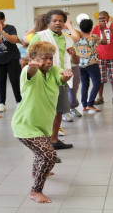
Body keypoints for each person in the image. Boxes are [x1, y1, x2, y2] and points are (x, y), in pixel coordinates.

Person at [12, 41, 73, 203]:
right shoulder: (29, 70)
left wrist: (66, 75)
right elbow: (30, 71)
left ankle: (36, 171)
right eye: (43, 58)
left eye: (50, 58)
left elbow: (61, 76)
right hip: (25, 124)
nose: (48, 62)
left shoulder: (52, 70)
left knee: (40, 151)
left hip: (42, 124)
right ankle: (35, 191)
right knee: (48, 155)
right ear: (32, 58)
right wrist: (33, 65)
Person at [28, 9, 79, 150]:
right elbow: (29, 57)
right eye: (54, 21)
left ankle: (54, 141)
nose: (58, 23)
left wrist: (74, 55)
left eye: (61, 21)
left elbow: (76, 61)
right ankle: (45, 147)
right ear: (48, 22)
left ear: (64, 23)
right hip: (43, 80)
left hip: (61, 78)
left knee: (58, 111)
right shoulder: (40, 36)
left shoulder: (68, 39)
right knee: (45, 113)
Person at [91, 11, 113, 104]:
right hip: (100, 56)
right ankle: (100, 97)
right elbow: (92, 39)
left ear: (108, 18)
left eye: (103, 18)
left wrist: (109, 28)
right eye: (100, 19)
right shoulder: (96, 27)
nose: (102, 20)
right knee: (100, 78)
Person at [77, 19, 106, 112]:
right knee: (97, 83)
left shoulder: (77, 38)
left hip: (81, 65)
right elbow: (105, 42)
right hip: (92, 64)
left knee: (85, 85)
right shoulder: (93, 37)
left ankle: (84, 105)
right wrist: (102, 30)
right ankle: (90, 104)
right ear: (91, 28)